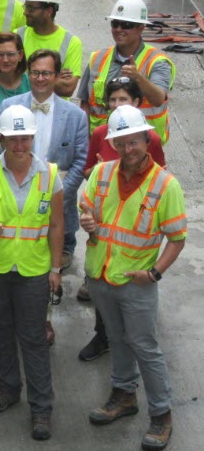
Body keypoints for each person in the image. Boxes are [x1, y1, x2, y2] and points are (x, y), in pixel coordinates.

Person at [81, 105, 186, 451]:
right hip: (100, 274)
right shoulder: (102, 173)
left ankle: (162, 414)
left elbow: (177, 237)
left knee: (145, 346)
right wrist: (88, 220)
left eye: (134, 142)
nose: (129, 150)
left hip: (136, 281)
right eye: (121, 143)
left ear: (147, 139)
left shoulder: (165, 185)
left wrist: (155, 272)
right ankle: (124, 395)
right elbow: (88, 208)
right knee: (117, 338)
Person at [0, 105, 63, 441]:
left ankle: (41, 408)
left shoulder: (50, 175)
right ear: (0, 139)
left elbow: (55, 225)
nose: (20, 145)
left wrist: (55, 269)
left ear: (33, 138)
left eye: (25, 138)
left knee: (34, 339)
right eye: (13, 139)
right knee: (0, 331)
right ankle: (8, 388)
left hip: (33, 271)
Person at [77, 78, 166, 361]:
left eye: (123, 100)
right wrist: (100, 174)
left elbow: (161, 178)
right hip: (103, 229)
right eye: (112, 100)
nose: (116, 105)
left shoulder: (149, 139)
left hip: (135, 229)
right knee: (103, 289)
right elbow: (87, 170)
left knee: (134, 305)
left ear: (137, 104)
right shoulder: (102, 133)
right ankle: (103, 336)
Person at [0, 50, 88, 318]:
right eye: (35, 72)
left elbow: (80, 162)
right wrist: (2, 137)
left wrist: (57, 195)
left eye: (47, 73)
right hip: (16, 200)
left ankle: (42, 319)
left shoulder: (75, 115)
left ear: (57, 76)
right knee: (15, 261)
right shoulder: (9, 106)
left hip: (57, 202)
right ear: (28, 73)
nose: (40, 78)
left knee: (50, 267)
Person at [78, 0, 175, 143]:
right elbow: (85, 105)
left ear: (141, 28)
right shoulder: (97, 58)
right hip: (104, 145)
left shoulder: (157, 62)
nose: (118, 29)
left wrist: (138, 78)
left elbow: (158, 98)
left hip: (143, 146)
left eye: (126, 25)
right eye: (115, 23)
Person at [16, 0, 83, 97]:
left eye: (31, 8)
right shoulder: (17, 36)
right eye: (26, 7)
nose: (25, 12)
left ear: (49, 11)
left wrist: (23, 74)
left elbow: (67, 89)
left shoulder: (71, 43)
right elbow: (8, 78)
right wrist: (53, 76)